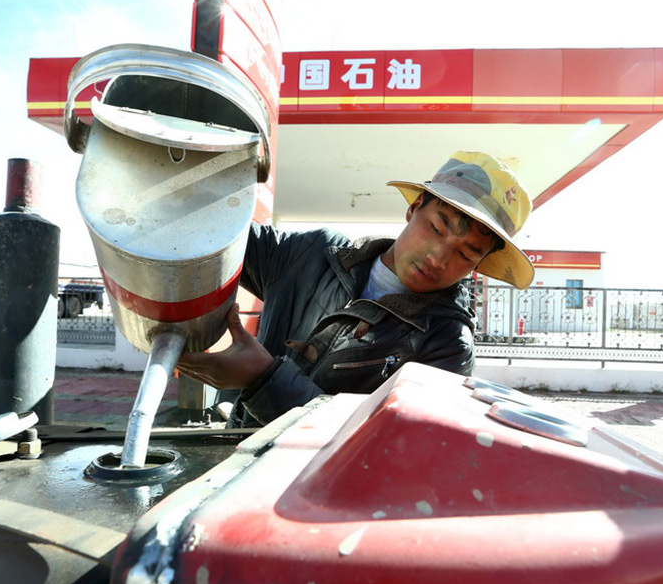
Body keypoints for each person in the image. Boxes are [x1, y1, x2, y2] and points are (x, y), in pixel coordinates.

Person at [176, 150, 535, 428]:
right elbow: (218, 233)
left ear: (479, 264)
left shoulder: (446, 344)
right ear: (414, 209)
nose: (439, 258)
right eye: (438, 228)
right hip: (232, 470)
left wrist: (263, 380)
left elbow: (383, 450)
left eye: (466, 253)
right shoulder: (310, 253)